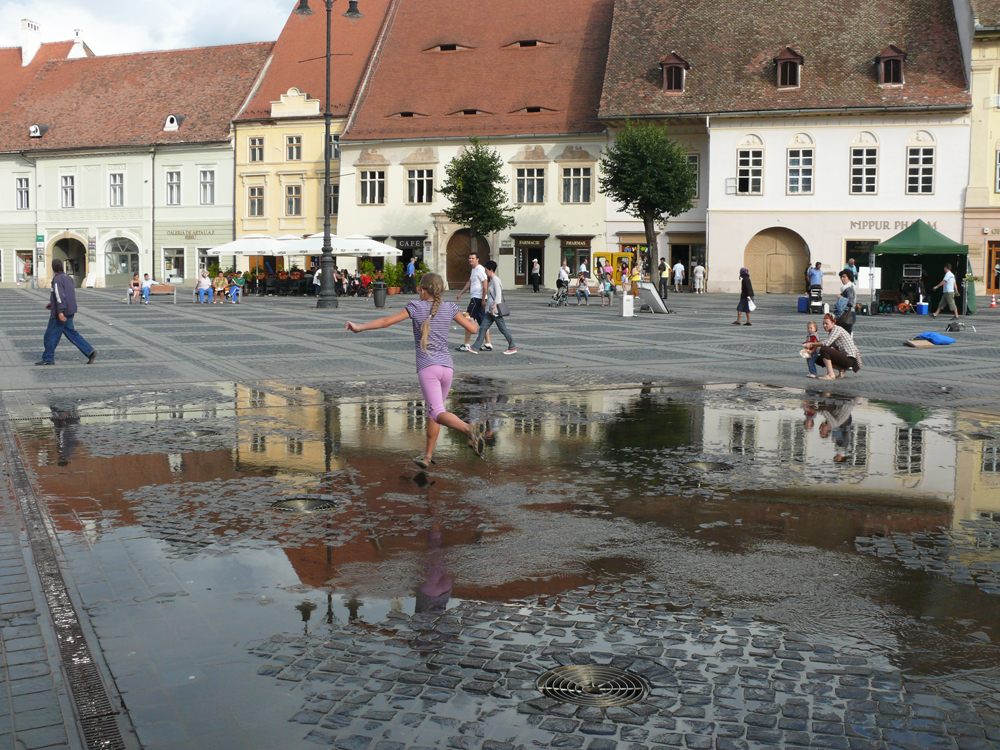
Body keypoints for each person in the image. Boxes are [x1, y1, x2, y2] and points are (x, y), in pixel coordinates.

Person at [344, 272, 486, 464]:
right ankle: (427, 456)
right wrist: (469, 319)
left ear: (422, 290)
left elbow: (386, 322)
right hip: (447, 368)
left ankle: (469, 429)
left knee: (436, 412)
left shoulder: (415, 307)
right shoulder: (450, 308)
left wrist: (359, 327)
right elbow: (474, 330)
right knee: (435, 412)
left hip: (428, 368)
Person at [36, 259, 98, 366]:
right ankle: (89, 351)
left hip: (61, 312)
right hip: (70, 310)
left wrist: (59, 311)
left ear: (52, 268)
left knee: (50, 335)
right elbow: (68, 294)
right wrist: (52, 304)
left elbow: (60, 296)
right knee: (71, 333)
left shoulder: (57, 279)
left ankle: (48, 358)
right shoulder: (68, 278)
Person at [468, 261, 516, 354]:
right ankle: (475, 347)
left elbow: (498, 296)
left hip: (495, 311)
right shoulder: (492, 280)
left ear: (491, 270)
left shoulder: (495, 280)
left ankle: (512, 347)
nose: (485, 272)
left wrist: (494, 307)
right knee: (483, 328)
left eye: (486, 270)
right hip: (490, 311)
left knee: (503, 329)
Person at [455, 251, 491, 352]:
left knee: (467, 319)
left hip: (478, 299)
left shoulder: (480, 269)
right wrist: (461, 293)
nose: (470, 260)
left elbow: (485, 284)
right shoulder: (474, 269)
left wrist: (483, 299)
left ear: (477, 259)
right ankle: (488, 344)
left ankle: (466, 344)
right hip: (476, 298)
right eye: (470, 258)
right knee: (483, 322)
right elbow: (470, 282)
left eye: (473, 258)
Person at [817, 313, 862, 380]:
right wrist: (815, 350)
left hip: (849, 359)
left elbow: (826, 344)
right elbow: (830, 346)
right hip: (844, 357)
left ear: (833, 322)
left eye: (827, 323)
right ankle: (841, 370)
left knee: (824, 349)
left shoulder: (837, 329)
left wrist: (813, 344)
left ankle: (831, 374)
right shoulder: (832, 331)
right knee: (817, 359)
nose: (824, 325)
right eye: (823, 324)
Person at [833, 269, 856, 334]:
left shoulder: (849, 288)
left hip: (848, 314)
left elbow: (851, 302)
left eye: (844, 277)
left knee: (846, 334)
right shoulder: (848, 287)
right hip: (848, 313)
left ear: (849, 277)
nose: (842, 279)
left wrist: (840, 298)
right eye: (841, 277)